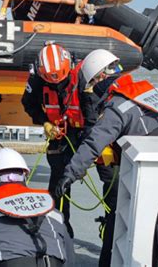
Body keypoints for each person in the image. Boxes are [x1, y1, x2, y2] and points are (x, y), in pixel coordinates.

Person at [56, 49, 158, 267]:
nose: (93, 89)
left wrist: (68, 175)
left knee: (116, 221)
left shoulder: (116, 106)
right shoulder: (143, 89)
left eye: (93, 83)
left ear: (100, 78)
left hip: (148, 174)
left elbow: (93, 143)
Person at [21, 42, 116, 238]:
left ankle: (112, 222)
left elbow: (94, 115)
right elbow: (28, 104)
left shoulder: (85, 76)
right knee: (59, 179)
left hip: (92, 131)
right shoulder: (38, 78)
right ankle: (59, 225)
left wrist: (87, 155)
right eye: (51, 82)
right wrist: (45, 123)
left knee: (109, 175)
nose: (56, 85)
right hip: (61, 133)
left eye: (60, 81)